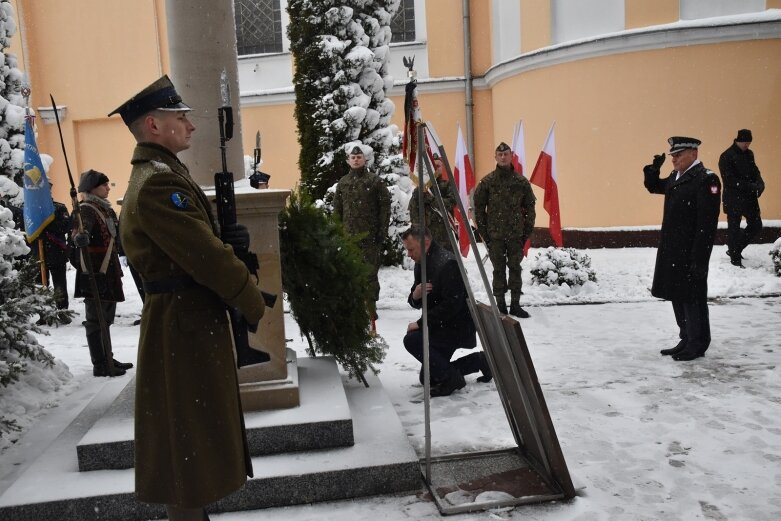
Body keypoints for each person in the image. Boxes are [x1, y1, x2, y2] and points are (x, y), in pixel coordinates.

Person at [111, 75, 266, 521]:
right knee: (187, 451)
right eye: (181, 117)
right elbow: (205, 257)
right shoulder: (159, 184)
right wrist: (250, 299)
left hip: (183, 322)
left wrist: (227, 238)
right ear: (154, 126)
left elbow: (197, 244)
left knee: (190, 445)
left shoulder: (161, 175)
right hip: (183, 327)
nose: (191, 126)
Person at [643, 136, 721, 362]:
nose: (674, 159)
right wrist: (652, 170)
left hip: (691, 251)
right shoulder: (677, 177)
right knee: (678, 295)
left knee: (693, 298)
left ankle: (697, 343)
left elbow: (707, 224)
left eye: (678, 155)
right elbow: (654, 186)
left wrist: (700, 258)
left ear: (693, 154)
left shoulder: (707, 179)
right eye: (672, 156)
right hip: (673, 250)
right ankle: (686, 338)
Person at [401, 225, 491, 397]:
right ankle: (478, 361)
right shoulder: (422, 263)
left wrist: (420, 324)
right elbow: (416, 301)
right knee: (428, 378)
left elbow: (452, 306)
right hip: (440, 325)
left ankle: (452, 380)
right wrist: (416, 295)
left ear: (425, 243)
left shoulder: (447, 264)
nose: (409, 254)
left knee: (411, 340)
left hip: (455, 328)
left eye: (411, 249)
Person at [70, 169, 132, 376]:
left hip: (108, 272)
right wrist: (80, 236)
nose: (108, 187)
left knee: (106, 319)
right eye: (104, 185)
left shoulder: (105, 209)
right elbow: (80, 230)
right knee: (96, 320)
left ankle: (108, 357)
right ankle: (100, 364)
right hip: (95, 272)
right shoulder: (86, 209)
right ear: (92, 189)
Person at [472, 142, 536, 318]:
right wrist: (485, 234)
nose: (503, 157)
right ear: (495, 157)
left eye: (506, 154)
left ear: (511, 156)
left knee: (515, 268)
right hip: (495, 236)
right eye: (499, 154)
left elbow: (530, 207)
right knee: (498, 270)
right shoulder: (487, 182)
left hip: (516, 235)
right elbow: (479, 210)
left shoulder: (521, 182)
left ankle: (515, 304)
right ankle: (500, 306)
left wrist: (526, 232)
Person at [332, 145, 391, 324]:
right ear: (348, 160)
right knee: (350, 272)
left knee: (370, 273)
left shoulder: (375, 182)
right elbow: (337, 210)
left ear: (365, 159)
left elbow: (385, 207)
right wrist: (336, 231)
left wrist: (382, 230)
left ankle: (370, 307)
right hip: (349, 237)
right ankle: (353, 308)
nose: (356, 159)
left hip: (370, 236)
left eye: (359, 157)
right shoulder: (343, 183)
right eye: (353, 157)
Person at [719, 129, 765, 268]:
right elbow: (729, 180)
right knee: (734, 228)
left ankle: (735, 249)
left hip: (750, 198)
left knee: (756, 225)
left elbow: (755, 170)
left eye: (749, 143)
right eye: (745, 142)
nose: (747, 145)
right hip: (733, 198)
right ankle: (735, 257)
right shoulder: (726, 156)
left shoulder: (749, 154)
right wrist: (751, 186)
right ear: (738, 140)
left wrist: (760, 182)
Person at [408, 154, 458, 252]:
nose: (435, 169)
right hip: (425, 238)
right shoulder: (420, 189)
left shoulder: (447, 185)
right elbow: (413, 211)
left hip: (445, 237)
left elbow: (451, 203)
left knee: (447, 265)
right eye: (433, 166)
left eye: (438, 166)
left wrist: (432, 200)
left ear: (442, 167)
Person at [33, 194, 72, 316]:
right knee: (40, 286)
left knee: (59, 284)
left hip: (56, 252)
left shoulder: (59, 208)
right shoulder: (31, 208)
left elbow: (65, 227)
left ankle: (62, 311)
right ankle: (43, 313)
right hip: (38, 253)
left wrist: (46, 223)